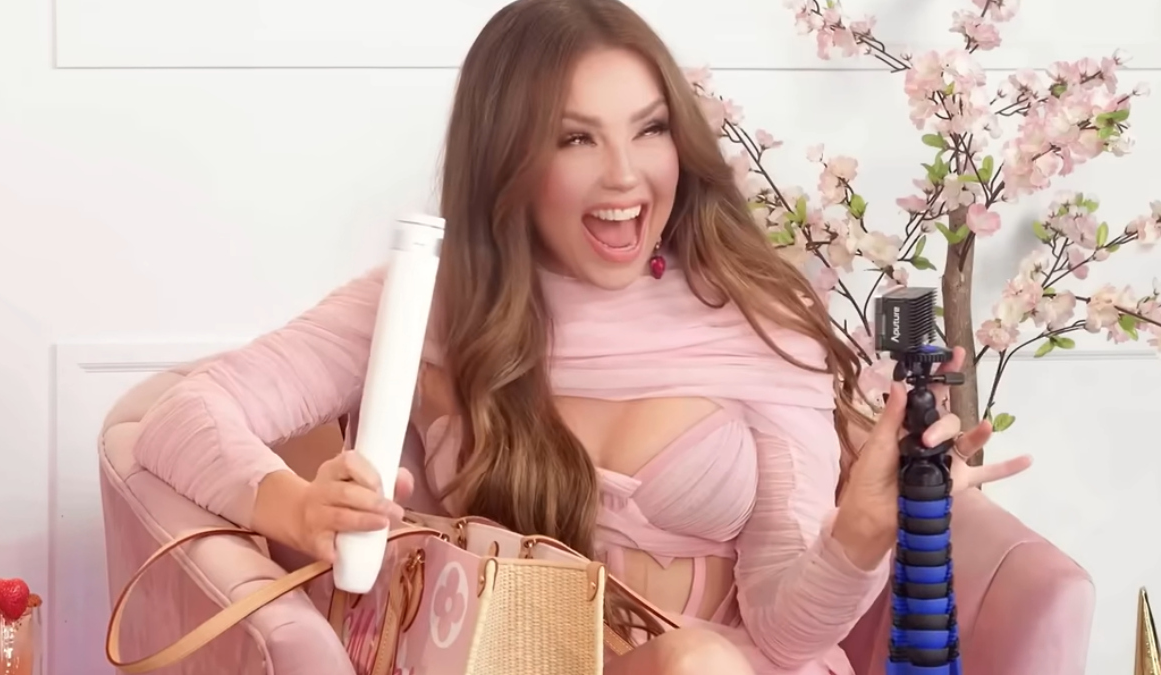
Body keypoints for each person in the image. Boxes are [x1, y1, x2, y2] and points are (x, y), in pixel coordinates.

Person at [131, 0, 1032, 672]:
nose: (625, 177)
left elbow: (787, 630)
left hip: (731, 667)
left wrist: (863, 532)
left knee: (701, 663)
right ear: (508, 161)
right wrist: (295, 507)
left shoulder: (759, 316)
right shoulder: (428, 300)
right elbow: (180, 416)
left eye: (649, 130)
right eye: (575, 139)